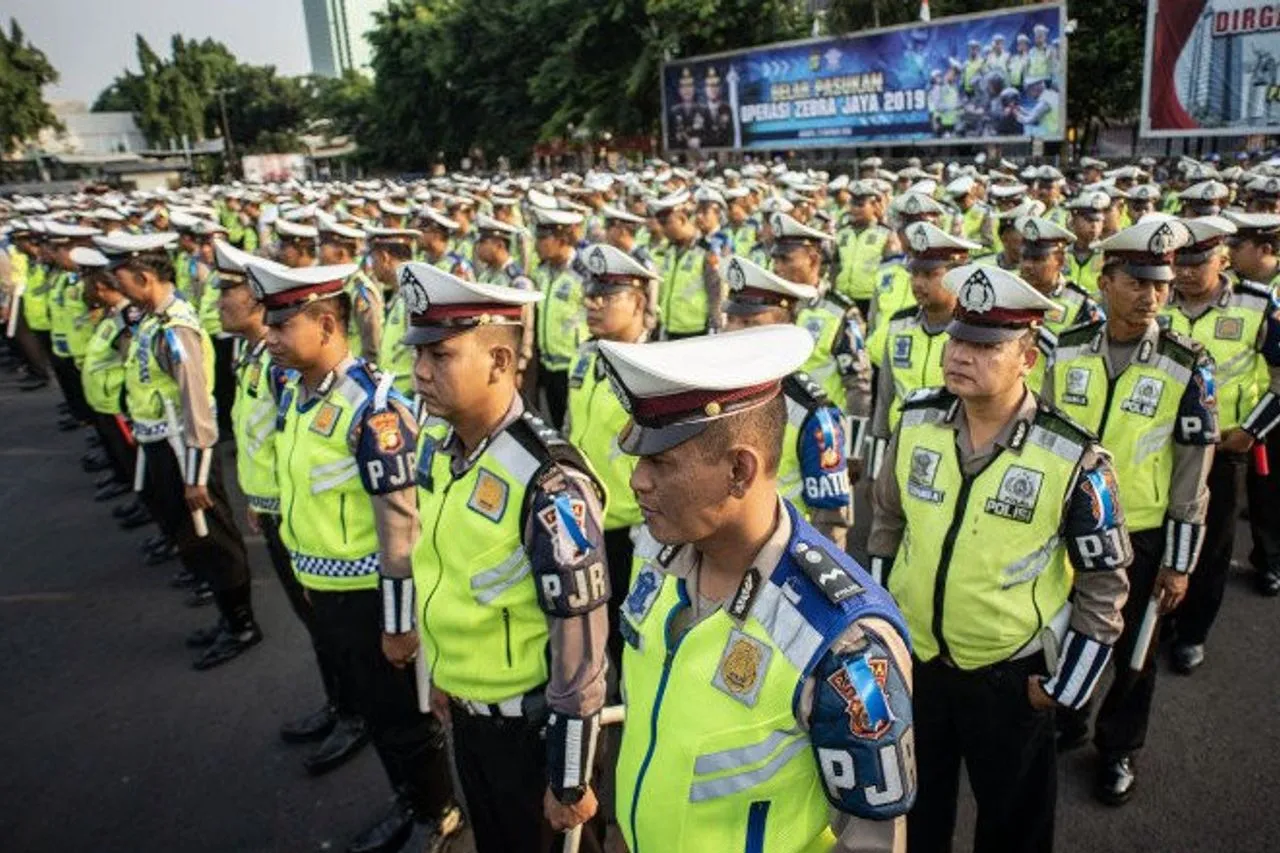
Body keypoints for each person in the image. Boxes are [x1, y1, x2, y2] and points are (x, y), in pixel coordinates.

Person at [601, 323, 915, 852]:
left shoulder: (842, 639)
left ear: (740, 471)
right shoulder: (656, 552)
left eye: (660, 461)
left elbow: (871, 841)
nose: (637, 480)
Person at [868, 263, 1132, 853]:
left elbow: (1105, 580)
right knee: (917, 811)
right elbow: (886, 523)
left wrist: (1064, 688)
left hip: (1012, 676)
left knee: (1013, 823)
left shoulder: (1073, 458)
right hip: (919, 663)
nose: (962, 354)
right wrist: (884, 631)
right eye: (959, 337)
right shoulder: (916, 421)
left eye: (987, 345)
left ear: (1028, 358)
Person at [386, 261, 609, 853]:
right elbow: (445, 575)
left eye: (441, 356)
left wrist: (569, 774)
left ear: (501, 362)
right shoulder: (441, 449)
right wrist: (441, 676)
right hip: (467, 712)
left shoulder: (550, 481)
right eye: (419, 354)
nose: (420, 371)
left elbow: (580, 645)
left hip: (530, 731)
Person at [246, 259, 460, 853]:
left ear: (325, 322)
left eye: (283, 326)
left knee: (401, 717)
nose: (270, 337)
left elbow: (400, 526)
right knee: (373, 708)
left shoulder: (374, 406)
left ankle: (435, 811)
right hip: (328, 586)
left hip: (371, 598)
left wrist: (398, 624)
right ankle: (411, 799)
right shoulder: (298, 393)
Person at [1045, 217, 1217, 805]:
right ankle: (1067, 717)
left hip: (1139, 534)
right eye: (1138, 282)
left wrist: (1179, 561)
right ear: (1105, 280)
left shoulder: (1185, 363)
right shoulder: (1064, 350)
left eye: (1161, 285)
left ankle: (1118, 748)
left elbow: (1195, 470)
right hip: (1063, 529)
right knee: (1061, 631)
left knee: (1135, 652)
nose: (1152, 296)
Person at [212, 239, 368, 774]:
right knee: (317, 623)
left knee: (333, 628)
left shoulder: (285, 369)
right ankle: (342, 703)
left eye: (230, 290)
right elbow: (277, 439)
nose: (223, 300)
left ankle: (355, 712)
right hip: (282, 511)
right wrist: (264, 497)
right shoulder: (260, 358)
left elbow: (299, 442)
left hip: (308, 520)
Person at [96, 232, 259, 670]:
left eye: (122, 277)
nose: (116, 285)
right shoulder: (151, 319)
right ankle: (227, 617)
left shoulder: (176, 328)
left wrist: (196, 474)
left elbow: (197, 404)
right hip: (160, 444)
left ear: (145, 277)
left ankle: (242, 622)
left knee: (213, 538)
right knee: (191, 537)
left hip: (182, 449)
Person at [1164, 215, 1280, 666]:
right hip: (1161, 447)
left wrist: (1253, 429)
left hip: (1224, 449)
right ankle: (1162, 620)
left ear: (1222, 258)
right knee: (1163, 543)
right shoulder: (1158, 303)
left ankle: (1192, 632)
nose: (1188, 273)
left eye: (1199, 262)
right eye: (1181, 263)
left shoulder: (1254, 305)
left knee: (1211, 547)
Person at [719, 255, 855, 547]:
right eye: (730, 319)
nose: (732, 331)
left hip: (782, 562)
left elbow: (830, 521)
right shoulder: (710, 395)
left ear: (785, 330)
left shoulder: (813, 414)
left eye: (749, 322)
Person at [565, 243, 656, 675]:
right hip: (585, 520)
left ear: (638, 302)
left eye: (607, 296)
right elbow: (570, 430)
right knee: (587, 627)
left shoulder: (657, 370)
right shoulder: (584, 357)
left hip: (637, 529)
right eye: (591, 293)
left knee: (634, 634)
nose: (592, 304)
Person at [867, 222, 974, 478]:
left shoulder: (971, 334)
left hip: (954, 457)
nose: (917, 283)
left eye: (929, 275)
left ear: (955, 276)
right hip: (900, 446)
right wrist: (875, 470)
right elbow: (885, 400)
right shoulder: (899, 325)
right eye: (914, 274)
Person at [771, 212, 872, 440]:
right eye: (775, 259)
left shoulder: (840, 312)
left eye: (785, 259)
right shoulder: (771, 306)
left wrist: (853, 445)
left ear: (814, 260)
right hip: (776, 428)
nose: (776, 267)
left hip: (821, 432)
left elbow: (858, 384)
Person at [1222, 211, 1280, 595]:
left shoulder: (1265, 298)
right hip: (1242, 412)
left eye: (1237, 246)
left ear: (1265, 249)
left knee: (1270, 490)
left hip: (1269, 407)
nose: (1230, 254)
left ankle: (1270, 561)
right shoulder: (1234, 289)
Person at [1015, 214, 1106, 392]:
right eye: (1024, 258)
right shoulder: (1006, 296)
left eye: (1037, 259)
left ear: (1060, 261)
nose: (1027, 265)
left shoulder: (1081, 305)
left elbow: (1093, 361)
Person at [651, 189, 726, 339]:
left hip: (698, 332)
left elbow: (717, 291)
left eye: (666, 223)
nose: (662, 229)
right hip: (669, 329)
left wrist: (715, 326)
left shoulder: (708, 249)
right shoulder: (668, 250)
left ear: (682, 219)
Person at [366, 226, 422, 398]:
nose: (372, 267)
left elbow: (418, 350)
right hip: (393, 391)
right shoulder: (400, 292)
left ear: (385, 258)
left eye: (373, 260)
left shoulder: (413, 294)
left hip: (406, 394)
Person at [319, 218, 383, 363]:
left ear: (341, 253)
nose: (320, 254)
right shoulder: (337, 285)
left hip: (352, 374)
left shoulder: (360, 291)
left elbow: (371, 346)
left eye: (323, 248)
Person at [833, 180, 898, 317]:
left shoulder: (885, 234)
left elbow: (892, 271)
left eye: (861, 205)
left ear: (874, 206)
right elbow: (834, 266)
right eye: (852, 204)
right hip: (842, 298)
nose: (855, 209)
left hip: (871, 300)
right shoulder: (842, 233)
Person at [1064, 190, 1110, 296]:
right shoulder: (1062, 254)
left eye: (1098, 221)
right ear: (1074, 221)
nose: (1094, 226)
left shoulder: (1107, 256)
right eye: (1088, 220)